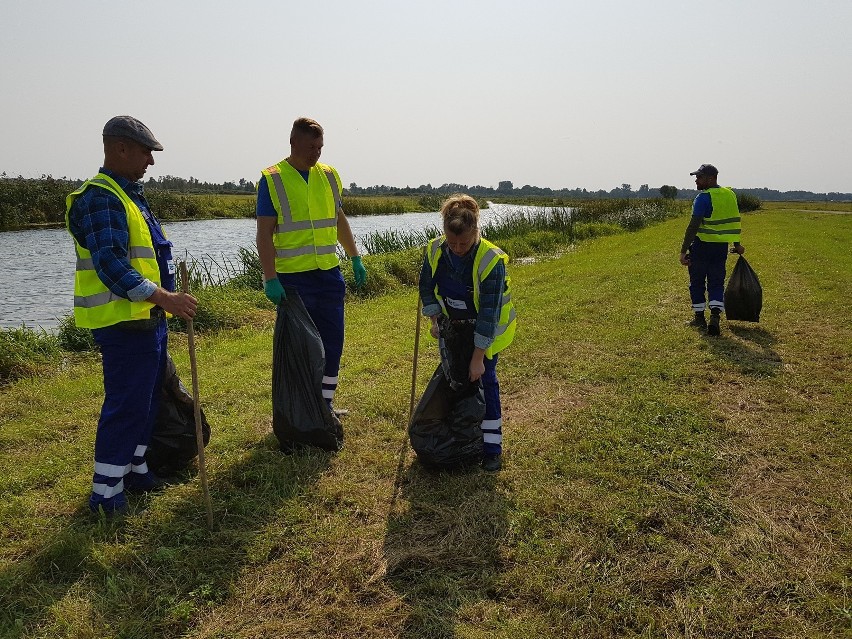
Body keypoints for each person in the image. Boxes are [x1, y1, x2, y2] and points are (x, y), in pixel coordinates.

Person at [66, 115, 197, 515]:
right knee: (126, 404)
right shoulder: (100, 197)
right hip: (123, 323)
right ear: (120, 148)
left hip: (147, 320)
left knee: (147, 400)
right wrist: (165, 297)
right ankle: (105, 493)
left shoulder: (130, 195)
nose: (151, 162)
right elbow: (111, 265)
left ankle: (136, 469)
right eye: (146, 152)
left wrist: (161, 304)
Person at [256, 117, 366, 416]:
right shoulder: (273, 179)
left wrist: (354, 256)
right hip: (293, 281)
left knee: (333, 342)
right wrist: (270, 278)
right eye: (309, 147)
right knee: (301, 349)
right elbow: (264, 233)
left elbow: (338, 218)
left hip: (329, 274)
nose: (315, 153)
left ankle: (325, 405)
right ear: (293, 143)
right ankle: (301, 408)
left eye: (320, 147)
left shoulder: (329, 175)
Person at [418, 194, 517, 471]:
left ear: (476, 232)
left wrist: (478, 358)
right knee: (455, 380)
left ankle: (491, 449)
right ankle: (461, 441)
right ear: (444, 233)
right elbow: (426, 286)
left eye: (464, 243)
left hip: (485, 330)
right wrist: (434, 316)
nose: (458, 248)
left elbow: (489, 314)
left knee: (485, 382)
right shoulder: (435, 250)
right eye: (452, 242)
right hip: (452, 326)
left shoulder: (491, 260)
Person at [679, 163, 745, 336]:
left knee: (697, 282)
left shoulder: (703, 198)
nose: (696, 180)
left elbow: (693, 226)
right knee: (716, 282)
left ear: (711, 179)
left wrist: (683, 250)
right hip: (720, 249)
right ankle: (715, 317)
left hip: (701, 247)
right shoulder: (730, 195)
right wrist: (737, 244)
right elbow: (734, 221)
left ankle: (699, 318)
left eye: (699, 177)